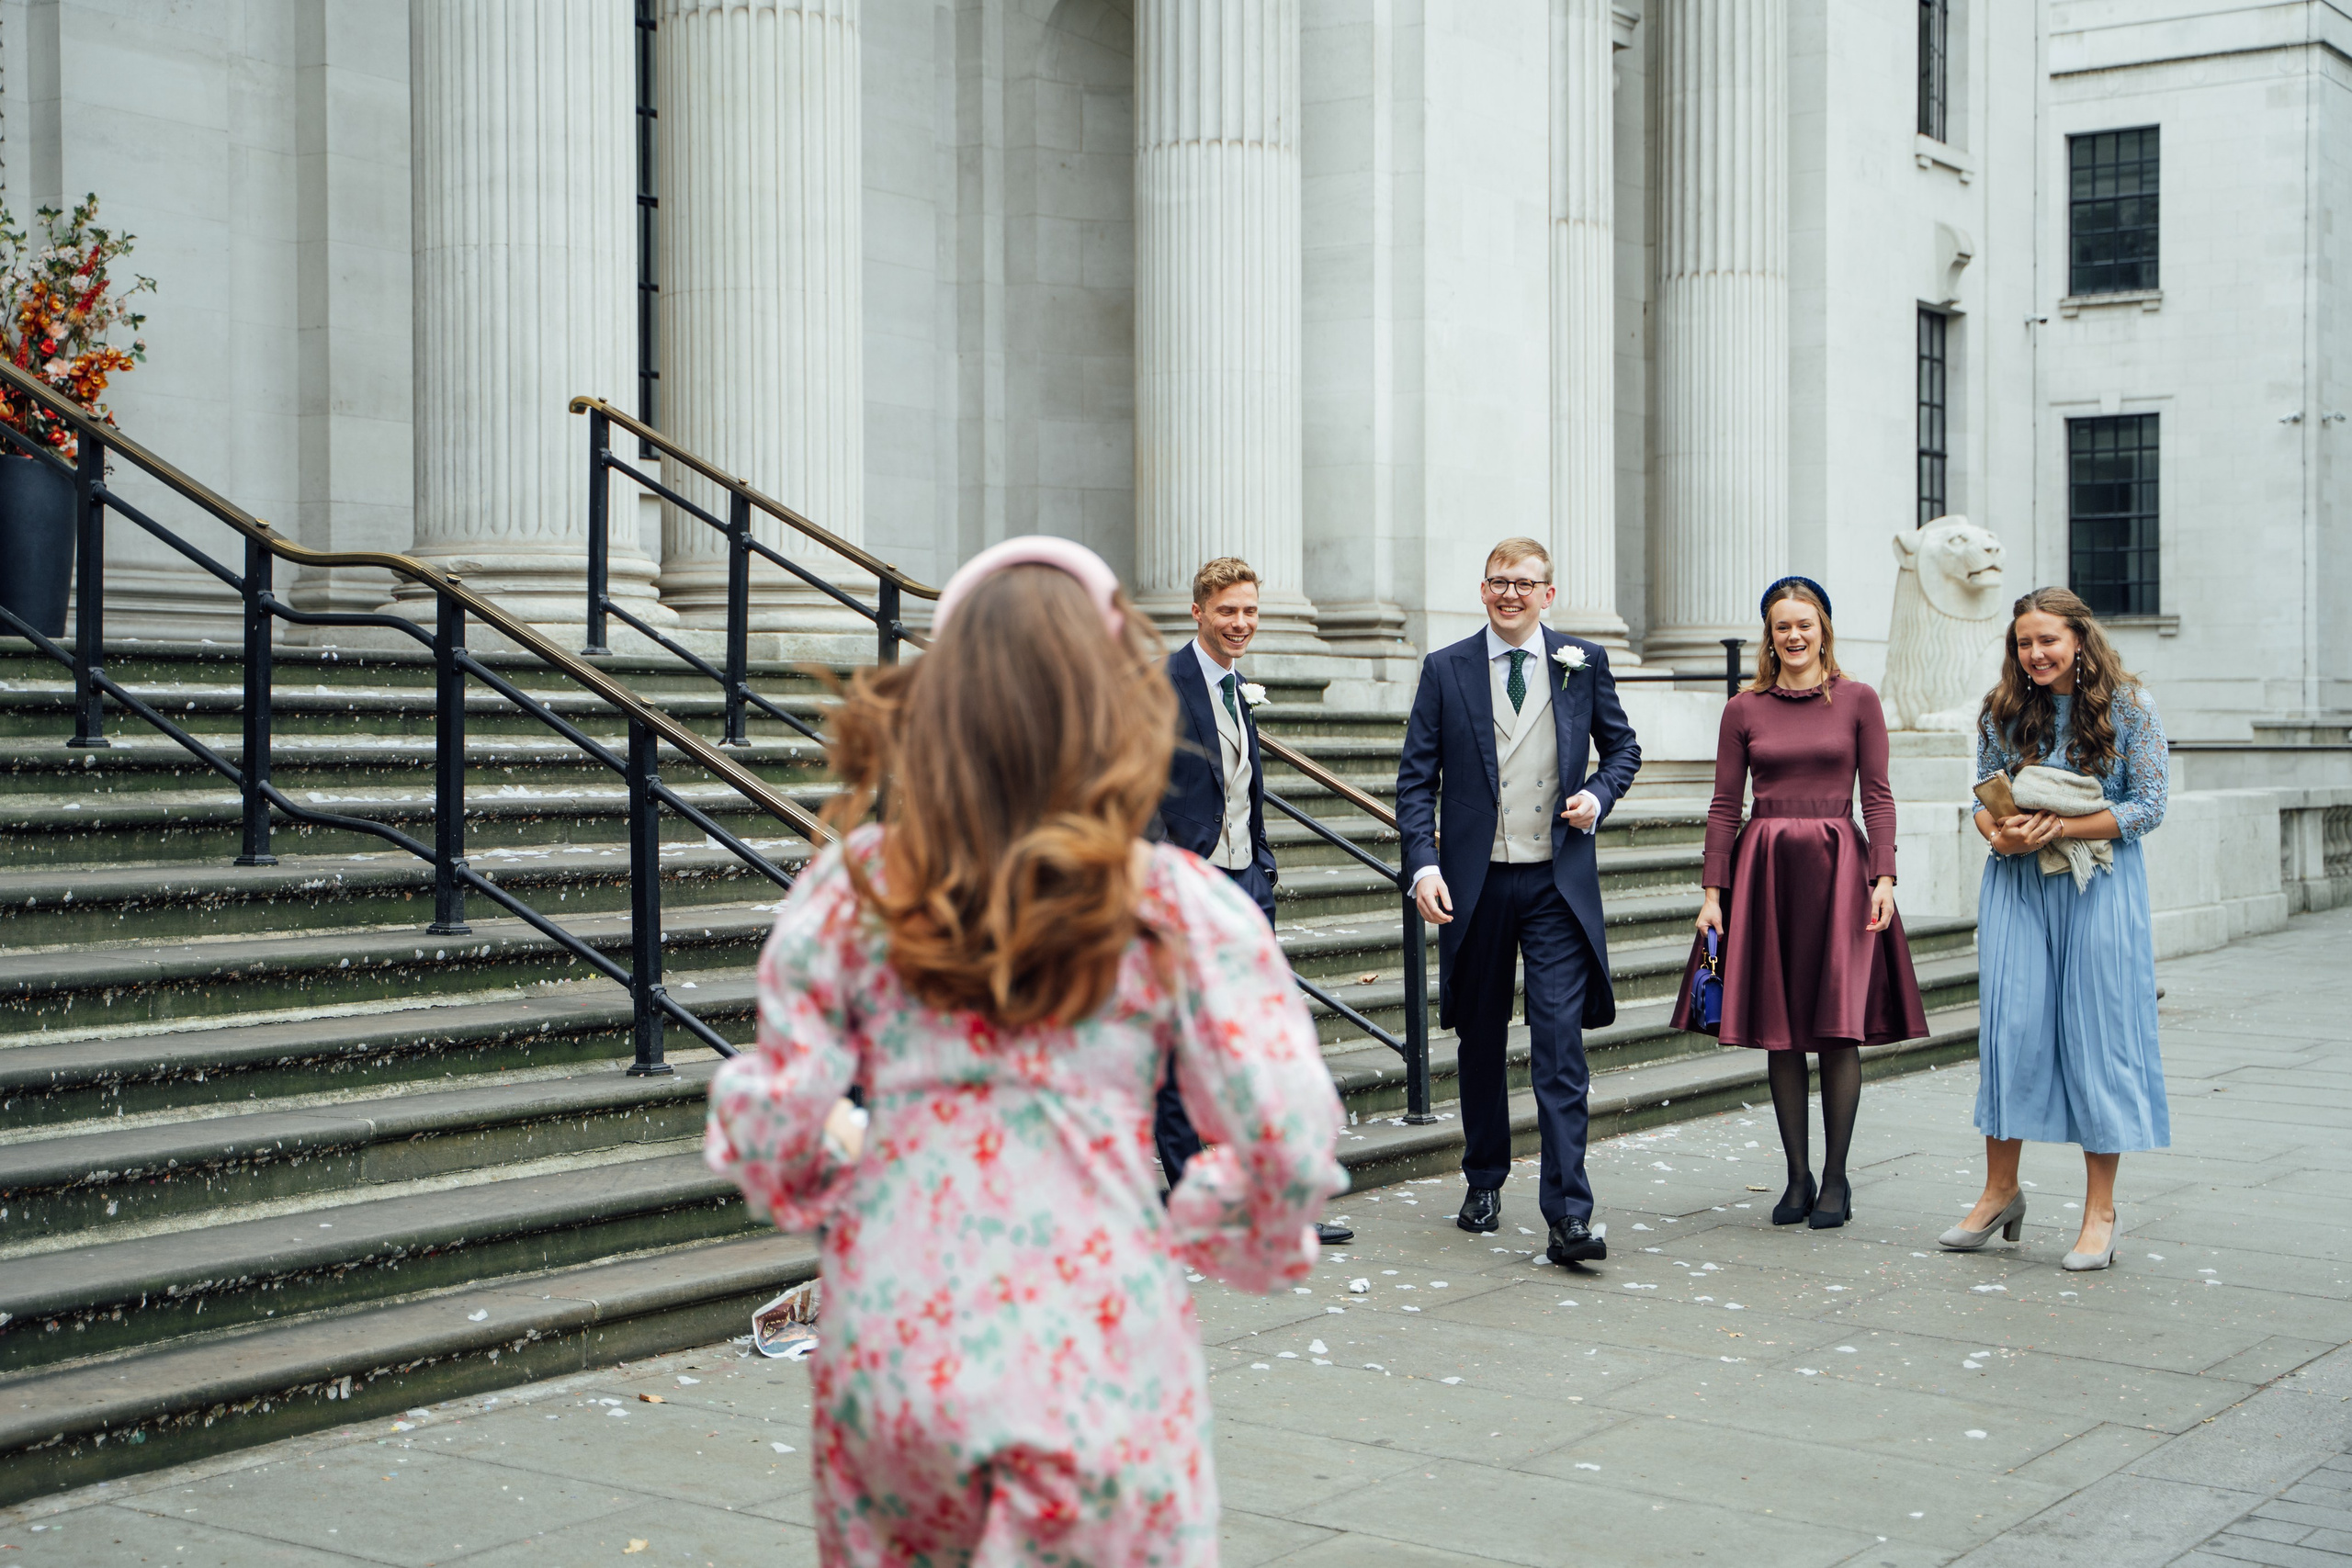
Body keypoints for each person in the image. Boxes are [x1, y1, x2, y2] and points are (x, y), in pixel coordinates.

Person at [704, 536, 1346, 1563]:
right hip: (1096, 1327)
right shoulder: (1174, 903)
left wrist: (860, 1170)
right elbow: (1284, 1133)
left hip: (897, 1326)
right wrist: (1213, 1221)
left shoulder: (857, 885)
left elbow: (776, 1122)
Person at [1394, 536, 1641, 1266]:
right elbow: (1415, 780)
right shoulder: (1446, 669)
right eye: (1498, 582)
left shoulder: (1582, 663)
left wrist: (1598, 794)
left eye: (1524, 583)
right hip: (1476, 882)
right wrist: (1423, 864)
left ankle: (1569, 1214)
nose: (1510, 593)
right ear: (1482, 590)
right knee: (1478, 1034)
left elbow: (1623, 748)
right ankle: (1484, 1175)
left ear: (1548, 594)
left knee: (1560, 1043)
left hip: (1556, 882)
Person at [1675, 578, 1928, 1231]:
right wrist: (1712, 894)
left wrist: (1885, 876)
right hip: (1764, 870)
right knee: (1779, 1030)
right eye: (1781, 625)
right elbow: (1725, 805)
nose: (1793, 635)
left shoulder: (1859, 700)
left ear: (1824, 629)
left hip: (1840, 865)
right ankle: (1796, 1176)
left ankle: (1837, 1178)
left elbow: (1878, 795)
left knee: (1837, 1026)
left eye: (1805, 624)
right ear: (1769, 632)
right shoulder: (1744, 708)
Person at [1943, 586, 2167, 1270]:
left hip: (2098, 885)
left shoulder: (2131, 707)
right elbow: (1982, 790)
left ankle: (2100, 1211)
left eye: (2047, 639)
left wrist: (2063, 829)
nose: (2035, 653)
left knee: (2099, 1036)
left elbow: (2149, 805)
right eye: (2023, 642)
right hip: (2015, 882)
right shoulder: (2002, 709)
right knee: (2009, 1031)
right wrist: (2000, 833)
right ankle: (2000, 1190)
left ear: (2079, 637)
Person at [1151, 555, 1352, 1245]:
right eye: (1228, 611)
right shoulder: (1161, 685)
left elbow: (1243, 790)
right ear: (1198, 612)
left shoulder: (1237, 687)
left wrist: (1261, 864)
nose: (1241, 623)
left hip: (1245, 888)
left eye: (1250, 611)